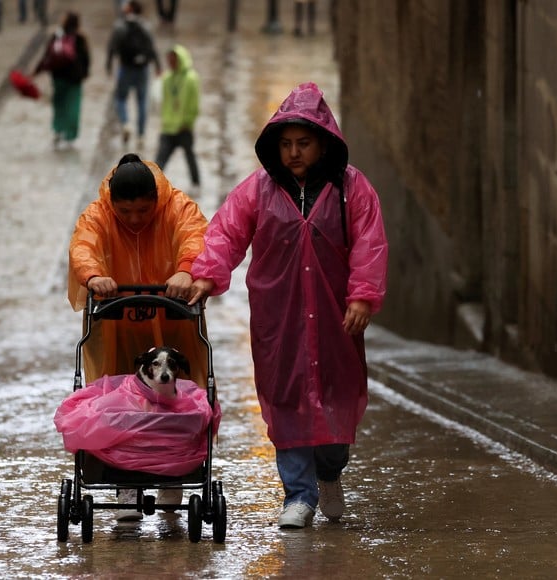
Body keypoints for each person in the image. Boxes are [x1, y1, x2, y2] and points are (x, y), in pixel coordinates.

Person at [188, 82, 388, 529]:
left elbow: (370, 245)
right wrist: (206, 273)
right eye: (286, 145)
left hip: (337, 319)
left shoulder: (351, 189)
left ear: (323, 143)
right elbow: (226, 233)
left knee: (337, 397)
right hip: (279, 320)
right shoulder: (258, 190)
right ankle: (298, 495)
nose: (294, 153)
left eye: (303, 143)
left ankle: (329, 472)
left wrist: (362, 296)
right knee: (286, 401)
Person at [68, 152, 209, 520]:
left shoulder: (177, 207)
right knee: (118, 403)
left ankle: (173, 476)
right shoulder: (97, 215)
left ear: (156, 202)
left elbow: (196, 237)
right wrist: (94, 275)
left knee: (176, 403)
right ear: (112, 205)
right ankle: (124, 483)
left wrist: (184, 269)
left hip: (174, 323)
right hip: (115, 327)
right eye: (124, 213)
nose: (133, 220)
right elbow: (83, 245)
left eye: (143, 212)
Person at [107, 0, 162, 148]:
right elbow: (152, 46)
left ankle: (125, 123)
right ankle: (141, 135)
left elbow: (112, 46)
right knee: (142, 102)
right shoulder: (145, 26)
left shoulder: (120, 26)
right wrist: (158, 65)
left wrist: (109, 64)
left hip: (125, 68)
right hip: (142, 69)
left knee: (120, 99)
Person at [34, 11, 91, 150]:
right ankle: (70, 134)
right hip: (74, 78)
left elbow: (47, 55)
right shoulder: (80, 38)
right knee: (73, 105)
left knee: (59, 103)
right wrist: (84, 73)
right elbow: (86, 58)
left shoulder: (57, 36)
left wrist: (37, 70)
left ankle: (58, 129)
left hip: (58, 76)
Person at [155, 45, 200, 188]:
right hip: (168, 127)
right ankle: (152, 186)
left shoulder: (191, 79)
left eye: (174, 60)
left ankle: (196, 183)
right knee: (160, 160)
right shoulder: (167, 78)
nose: (171, 63)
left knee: (190, 157)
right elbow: (163, 101)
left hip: (183, 127)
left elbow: (194, 103)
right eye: (169, 60)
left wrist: (188, 121)